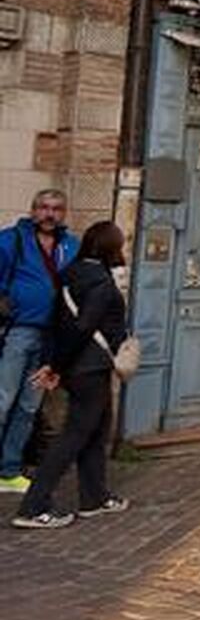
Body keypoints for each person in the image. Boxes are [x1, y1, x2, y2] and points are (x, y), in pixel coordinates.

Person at [12, 220, 127, 529]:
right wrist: (56, 367)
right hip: (89, 366)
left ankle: (95, 497)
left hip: (80, 365)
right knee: (74, 435)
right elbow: (82, 326)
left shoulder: (70, 273)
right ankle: (34, 506)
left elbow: (57, 323)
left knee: (97, 430)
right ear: (110, 247)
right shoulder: (100, 282)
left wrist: (54, 362)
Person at [0, 189, 78, 495]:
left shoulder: (72, 246)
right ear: (33, 210)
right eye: (43, 207)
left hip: (51, 337)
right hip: (17, 332)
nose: (49, 214)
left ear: (64, 213)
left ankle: (8, 471)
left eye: (57, 208)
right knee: (2, 401)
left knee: (28, 407)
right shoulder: (10, 240)